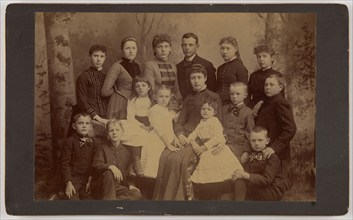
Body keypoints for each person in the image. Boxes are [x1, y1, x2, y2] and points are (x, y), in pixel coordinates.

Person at [153, 64, 222, 200]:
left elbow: (219, 124)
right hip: (184, 136)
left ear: (205, 78)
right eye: (192, 78)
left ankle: (178, 199)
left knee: (178, 160)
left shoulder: (214, 97)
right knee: (165, 156)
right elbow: (180, 122)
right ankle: (162, 200)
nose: (196, 81)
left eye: (199, 77)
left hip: (200, 139)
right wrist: (179, 134)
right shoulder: (188, 98)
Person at [189, 99, 243, 200]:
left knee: (219, 171)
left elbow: (217, 137)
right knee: (208, 173)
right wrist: (193, 143)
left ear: (214, 112)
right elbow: (192, 135)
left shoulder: (214, 121)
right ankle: (208, 193)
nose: (205, 111)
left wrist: (204, 147)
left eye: (209, 109)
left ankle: (221, 193)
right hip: (204, 149)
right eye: (203, 109)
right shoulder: (200, 123)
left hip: (215, 147)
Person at [255, 73, 297, 190]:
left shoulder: (280, 102)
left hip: (278, 153)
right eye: (266, 85)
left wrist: (274, 147)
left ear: (280, 87)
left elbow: (290, 128)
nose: (267, 87)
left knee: (276, 185)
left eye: (271, 84)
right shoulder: (267, 103)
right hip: (266, 149)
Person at [91, 119, 142, 200]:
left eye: (117, 130)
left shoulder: (126, 152)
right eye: (111, 130)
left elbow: (128, 174)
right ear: (107, 134)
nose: (114, 133)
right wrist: (110, 166)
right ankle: (110, 202)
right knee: (108, 173)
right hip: (102, 185)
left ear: (122, 132)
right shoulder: (101, 148)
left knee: (136, 194)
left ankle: (110, 202)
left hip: (118, 187)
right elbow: (96, 165)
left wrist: (130, 185)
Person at [232, 126, 287, 201]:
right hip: (258, 185)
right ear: (250, 142)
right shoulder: (251, 155)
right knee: (238, 183)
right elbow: (246, 172)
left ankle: (239, 205)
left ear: (267, 141)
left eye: (260, 140)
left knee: (245, 190)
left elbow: (267, 180)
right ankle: (238, 203)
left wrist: (245, 175)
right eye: (253, 141)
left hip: (271, 189)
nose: (256, 143)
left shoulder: (272, 157)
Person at [120, 76, 153, 177]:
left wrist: (151, 126)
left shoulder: (152, 100)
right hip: (136, 123)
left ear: (149, 87)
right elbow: (130, 116)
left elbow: (154, 114)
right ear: (134, 88)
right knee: (135, 135)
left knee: (145, 137)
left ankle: (131, 165)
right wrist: (141, 126)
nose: (140, 88)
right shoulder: (133, 100)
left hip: (150, 124)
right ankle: (136, 161)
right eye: (137, 86)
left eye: (143, 85)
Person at [61, 113, 95, 200]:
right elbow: (64, 164)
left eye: (87, 123)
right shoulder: (70, 142)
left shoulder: (92, 142)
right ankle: (59, 194)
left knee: (89, 204)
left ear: (90, 126)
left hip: (86, 179)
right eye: (80, 123)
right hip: (73, 179)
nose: (84, 126)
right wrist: (68, 183)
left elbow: (93, 163)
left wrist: (90, 180)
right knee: (73, 202)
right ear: (74, 126)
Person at [143, 33, 181, 111]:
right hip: (156, 103)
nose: (163, 50)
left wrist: (179, 103)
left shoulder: (173, 66)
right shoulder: (149, 65)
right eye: (160, 47)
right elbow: (150, 90)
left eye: (166, 46)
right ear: (154, 49)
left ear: (170, 48)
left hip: (172, 103)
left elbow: (176, 88)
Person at [176, 32, 217, 99]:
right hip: (184, 105)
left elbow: (212, 90)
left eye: (191, 45)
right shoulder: (178, 67)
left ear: (197, 46)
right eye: (184, 45)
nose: (187, 48)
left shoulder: (207, 65)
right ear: (181, 46)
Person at [223, 82, 255, 160]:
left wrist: (247, 151)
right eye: (232, 94)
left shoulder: (248, 112)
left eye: (238, 94)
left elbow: (250, 133)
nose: (234, 97)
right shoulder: (224, 109)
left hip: (239, 151)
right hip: (223, 148)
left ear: (245, 95)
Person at [101, 43, 134, 119]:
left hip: (133, 102)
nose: (131, 51)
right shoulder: (116, 66)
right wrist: (119, 90)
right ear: (122, 50)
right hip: (119, 102)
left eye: (133, 48)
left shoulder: (137, 66)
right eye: (127, 48)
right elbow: (105, 91)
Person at [247, 45, 284, 112]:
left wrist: (260, 104)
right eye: (259, 57)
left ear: (272, 58)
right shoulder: (253, 76)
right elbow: (248, 96)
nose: (261, 59)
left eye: (264, 56)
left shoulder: (277, 75)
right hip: (253, 110)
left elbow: (281, 98)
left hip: (270, 110)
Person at [216, 36, 248, 105]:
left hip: (233, 105)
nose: (224, 52)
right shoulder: (220, 68)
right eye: (222, 48)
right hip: (219, 104)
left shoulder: (240, 68)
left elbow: (244, 91)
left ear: (235, 49)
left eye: (228, 48)